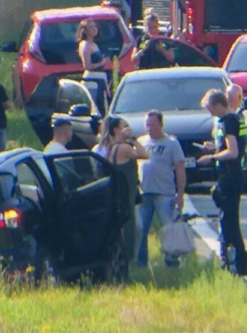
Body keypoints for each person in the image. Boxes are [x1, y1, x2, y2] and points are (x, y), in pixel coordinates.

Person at [197, 89, 247, 276]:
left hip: (230, 175)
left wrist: (211, 157)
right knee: (229, 218)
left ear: (219, 105)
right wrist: (215, 147)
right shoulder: (236, 119)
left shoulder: (228, 122)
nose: (210, 113)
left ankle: (233, 261)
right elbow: (232, 145)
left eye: (211, 109)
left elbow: (233, 152)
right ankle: (238, 261)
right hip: (234, 174)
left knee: (228, 220)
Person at [97, 116, 149, 273]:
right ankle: (129, 260)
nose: (128, 128)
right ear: (116, 130)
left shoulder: (109, 148)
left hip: (120, 195)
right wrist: (133, 139)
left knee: (135, 226)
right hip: (127, 195)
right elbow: (144, 154)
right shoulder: (124, 148)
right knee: (133, 227)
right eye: (124, 126)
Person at [136, 110, 187, 267]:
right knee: (141, 229)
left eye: (153, 124)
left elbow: (180, 169)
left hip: (164, 193)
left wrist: (180, 194)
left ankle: (172, 260)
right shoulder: (141, 141)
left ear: (161, 124)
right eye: (147, 125)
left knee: (169, 228)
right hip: (144, 193)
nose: (150, 128)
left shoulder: (171, 143)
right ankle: (141, 262)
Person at [78, 18, 113, 114]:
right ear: (85, 30)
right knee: (96, 108)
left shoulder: (94, 44)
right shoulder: (85, 45)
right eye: (90, 27)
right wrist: (102, 62)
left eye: (95, 26)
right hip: (92, 80)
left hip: (101, 78)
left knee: (104, 106)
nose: (94, 29)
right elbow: (87, 66)